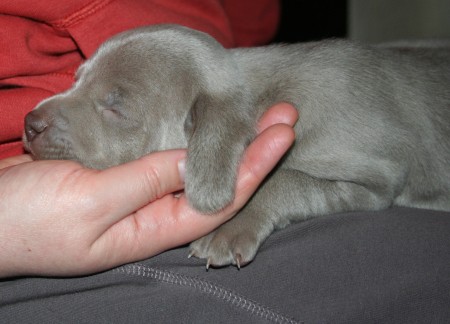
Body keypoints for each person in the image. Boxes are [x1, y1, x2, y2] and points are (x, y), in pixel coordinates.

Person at [1, 2, 450, 323]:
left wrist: (265, 203)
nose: (41, 119)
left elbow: (377, 181)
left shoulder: (334, 102)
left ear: (210, 131)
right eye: (82, 83)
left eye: (115, 108)